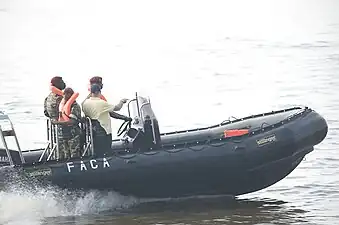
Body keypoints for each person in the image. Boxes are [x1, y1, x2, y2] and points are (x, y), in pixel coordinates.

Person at [82, 84, 128, 156]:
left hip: (92, 132)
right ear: (98, 92)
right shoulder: (101, 103)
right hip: (103, 131)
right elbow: (117, 108)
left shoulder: (85, 103)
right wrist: (122, 101)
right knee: (106, 151)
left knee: (97, 152)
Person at [51, 87, 82, 160]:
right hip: (63, 134)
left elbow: (72, 121)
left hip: (73, 134)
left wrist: (58, 122)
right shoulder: (61, 104)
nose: (65, 95)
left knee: (74, 154)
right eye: (64, 93)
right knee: (64, 154)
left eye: (67, 94)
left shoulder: (75, 106)